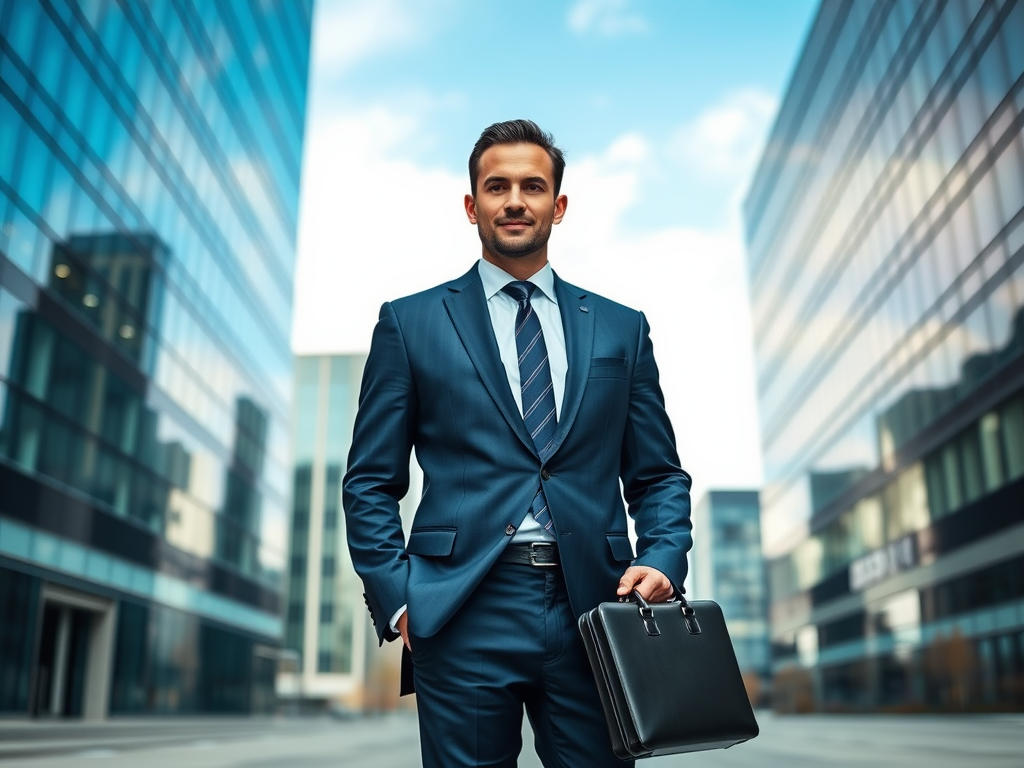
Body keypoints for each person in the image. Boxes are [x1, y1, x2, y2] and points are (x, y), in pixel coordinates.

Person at [343, 119, 692, 767]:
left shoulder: (621, 328)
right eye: (496, 186)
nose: (514, 200)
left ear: (558, 207)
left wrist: (666, 557)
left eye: (533, 186)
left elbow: (658, 476)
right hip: (461, 603)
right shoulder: (410, 323)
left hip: (599, 605)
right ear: (471, 205)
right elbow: (369, 481)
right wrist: (398, 599)